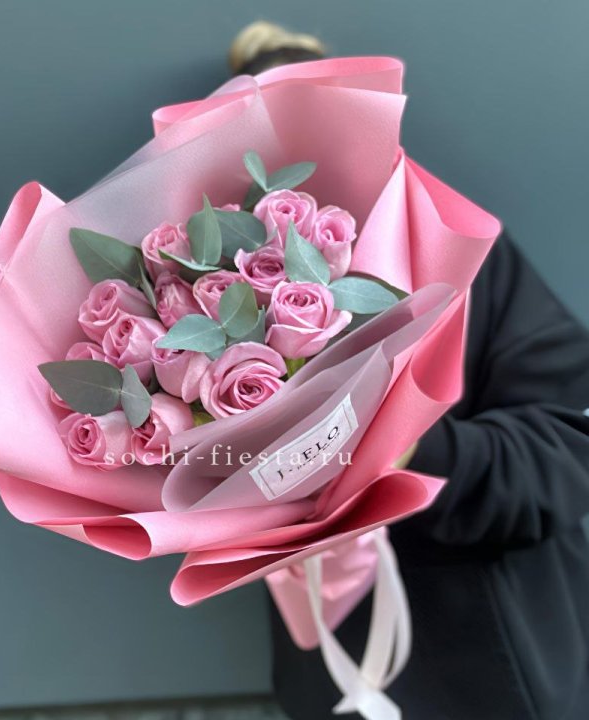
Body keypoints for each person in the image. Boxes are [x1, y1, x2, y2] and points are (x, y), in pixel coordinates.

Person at [230, 22, 589, 720]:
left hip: (494, 668)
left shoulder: (463, 258)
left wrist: (413, 449)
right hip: (330, 676)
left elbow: (568, 448)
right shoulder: (218, 295)